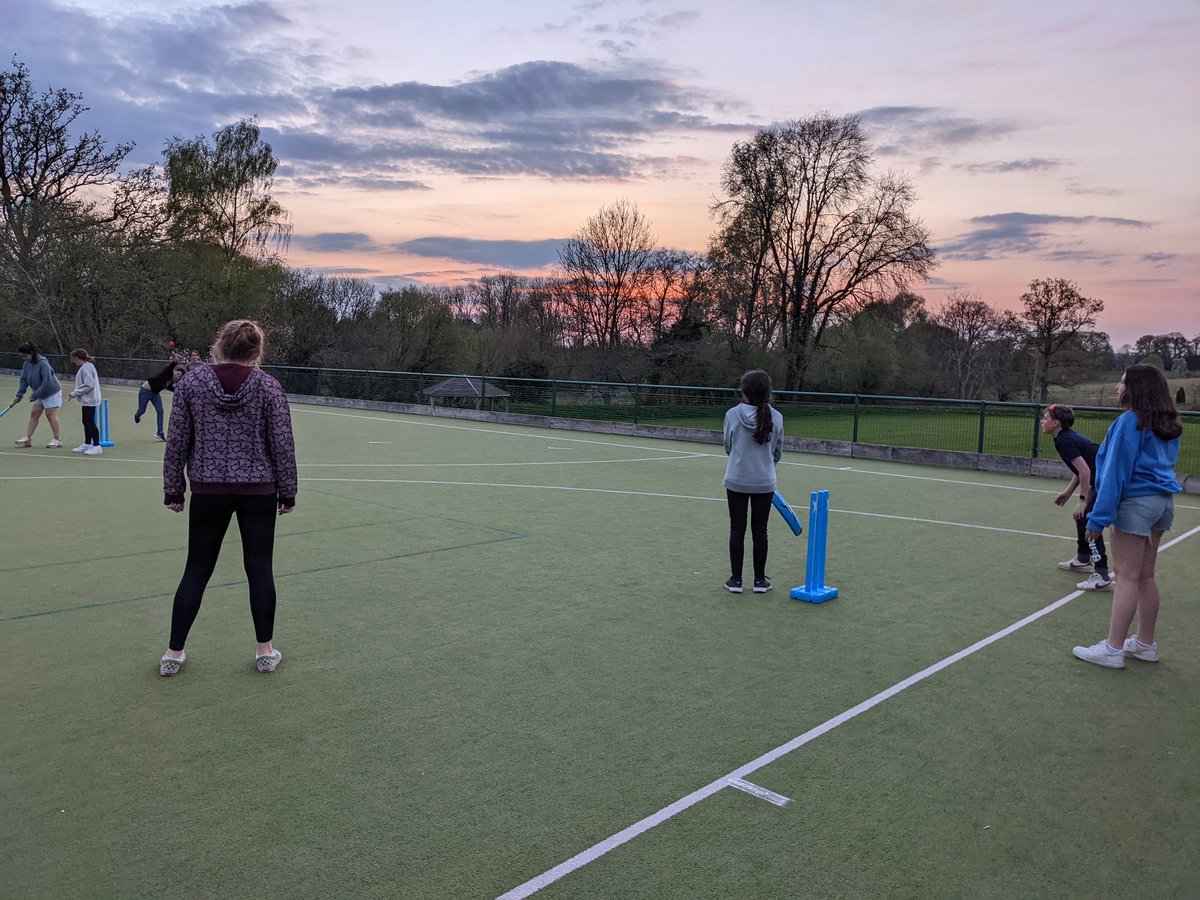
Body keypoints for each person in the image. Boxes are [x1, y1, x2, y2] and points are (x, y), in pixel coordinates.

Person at [159, 320, 298, 677]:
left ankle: (173, 653)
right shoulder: (269, 387)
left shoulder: (190, 384)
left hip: (209, 488)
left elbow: (177, 441)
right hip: (259, 489)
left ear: (219, 345)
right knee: (259, 568)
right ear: (256, 351)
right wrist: (288, 491)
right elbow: (282, 444)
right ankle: (265, 651)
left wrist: (174, 488)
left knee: (196, 569)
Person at [1072, 365, 1182, 669]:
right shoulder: (1167, 424)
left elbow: (1115, 473)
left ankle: (1113, 648)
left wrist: (1097, 518)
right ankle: (1145, 644)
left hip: (1136, 504)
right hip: (1162, 503)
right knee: (1145, 575)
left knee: (1126, 576)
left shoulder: (1129, 422)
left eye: (1122, 383)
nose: (1118, 387)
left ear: (1136, 388)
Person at [722, 369, 784, 594]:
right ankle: (759, 581)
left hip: (736, 479)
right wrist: (764, 466)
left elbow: (728, 446)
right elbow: (777, 452)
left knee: (737, 529)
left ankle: (736, 580)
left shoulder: (732, 415)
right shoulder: (777, 417)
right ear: (768, 391)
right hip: (764, 481)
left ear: (744, 391)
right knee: (761, 531)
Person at [1040, 404, 1111, 590]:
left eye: (1045, 418)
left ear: (1056, 423)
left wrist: (1083, 500)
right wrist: (1068, 492)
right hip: (1099, 479)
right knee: (1081, 517)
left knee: (1089, 519)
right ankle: (1083, 558)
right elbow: (1080, 469)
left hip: (1105, 481)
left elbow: (1085, 470)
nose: (1042, 421)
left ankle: (1101, 573)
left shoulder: (1064, 440)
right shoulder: (1063, 438)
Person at [12, 341, 63, 449]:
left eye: (25, 356)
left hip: (51, 391)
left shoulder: (43, 363)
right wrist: (19, 394)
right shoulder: (26, 363)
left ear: (31, 353)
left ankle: (57, 440)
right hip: (40, 391)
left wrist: (36, 394)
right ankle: (28, 439)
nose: (23, 358)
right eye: (22, 357)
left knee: (50, 414)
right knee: (34, 413)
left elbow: (47, 381)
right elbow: (24, 380)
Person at [134, 360, 186, 441]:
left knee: (160, 411)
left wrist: (180, 392)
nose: (177, 376)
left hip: (155, 394)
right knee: (142, 411)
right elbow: (171, 367)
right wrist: (175, 361)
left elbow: (171, 388)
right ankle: (137, 415)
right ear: (174, 371)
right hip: (145, 391)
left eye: (180, 376)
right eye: (177, 373)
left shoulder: (171, 381)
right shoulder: (168, 373)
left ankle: (160, 433)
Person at [67, 349, 104, 455]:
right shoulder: (86, 367)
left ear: (76, 358)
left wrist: (75, 393)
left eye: (73, 359)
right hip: (87, 400)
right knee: (86, 421)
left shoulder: (86, 368)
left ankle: (96, 445)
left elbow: (89, 385)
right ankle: (87, 443)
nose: (72, 361)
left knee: (90, 422)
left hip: (90, 400)